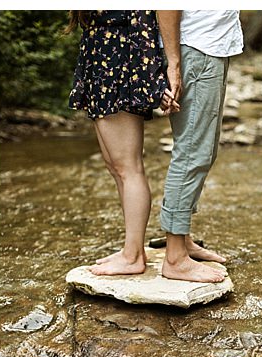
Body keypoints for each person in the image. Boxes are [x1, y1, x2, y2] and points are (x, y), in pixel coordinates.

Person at [68, 10, 179, 276]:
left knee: (129, 167)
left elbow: (143, 23)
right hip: (102, 64)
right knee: (116, 166)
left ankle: (133, 257)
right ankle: (132, 249)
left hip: (119, 69)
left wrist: (153, 82)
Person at [156, 10, 243, 282]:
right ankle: (175, 258)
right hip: (196, 49)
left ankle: (183, 240)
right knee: (193, 152)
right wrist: (173, 63)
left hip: (208, 47)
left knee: (203, 151)